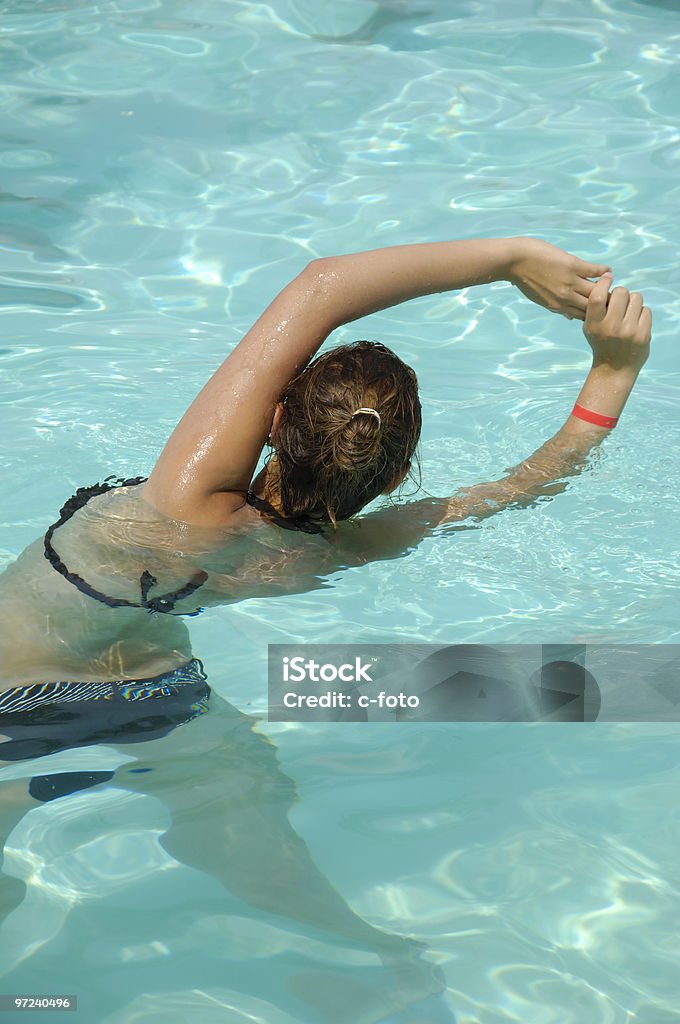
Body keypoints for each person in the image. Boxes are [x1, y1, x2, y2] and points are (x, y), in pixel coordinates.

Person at [0, 236, 651, 1023]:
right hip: (158, 699)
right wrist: (612, 373)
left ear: (274, 422)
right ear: (396, 476)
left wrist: (510, 258)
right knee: (259, 847)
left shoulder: (190, 491)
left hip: (13, 692)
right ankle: (380, 966)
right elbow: (517, 487)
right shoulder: (338, 551)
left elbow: (321, 288)